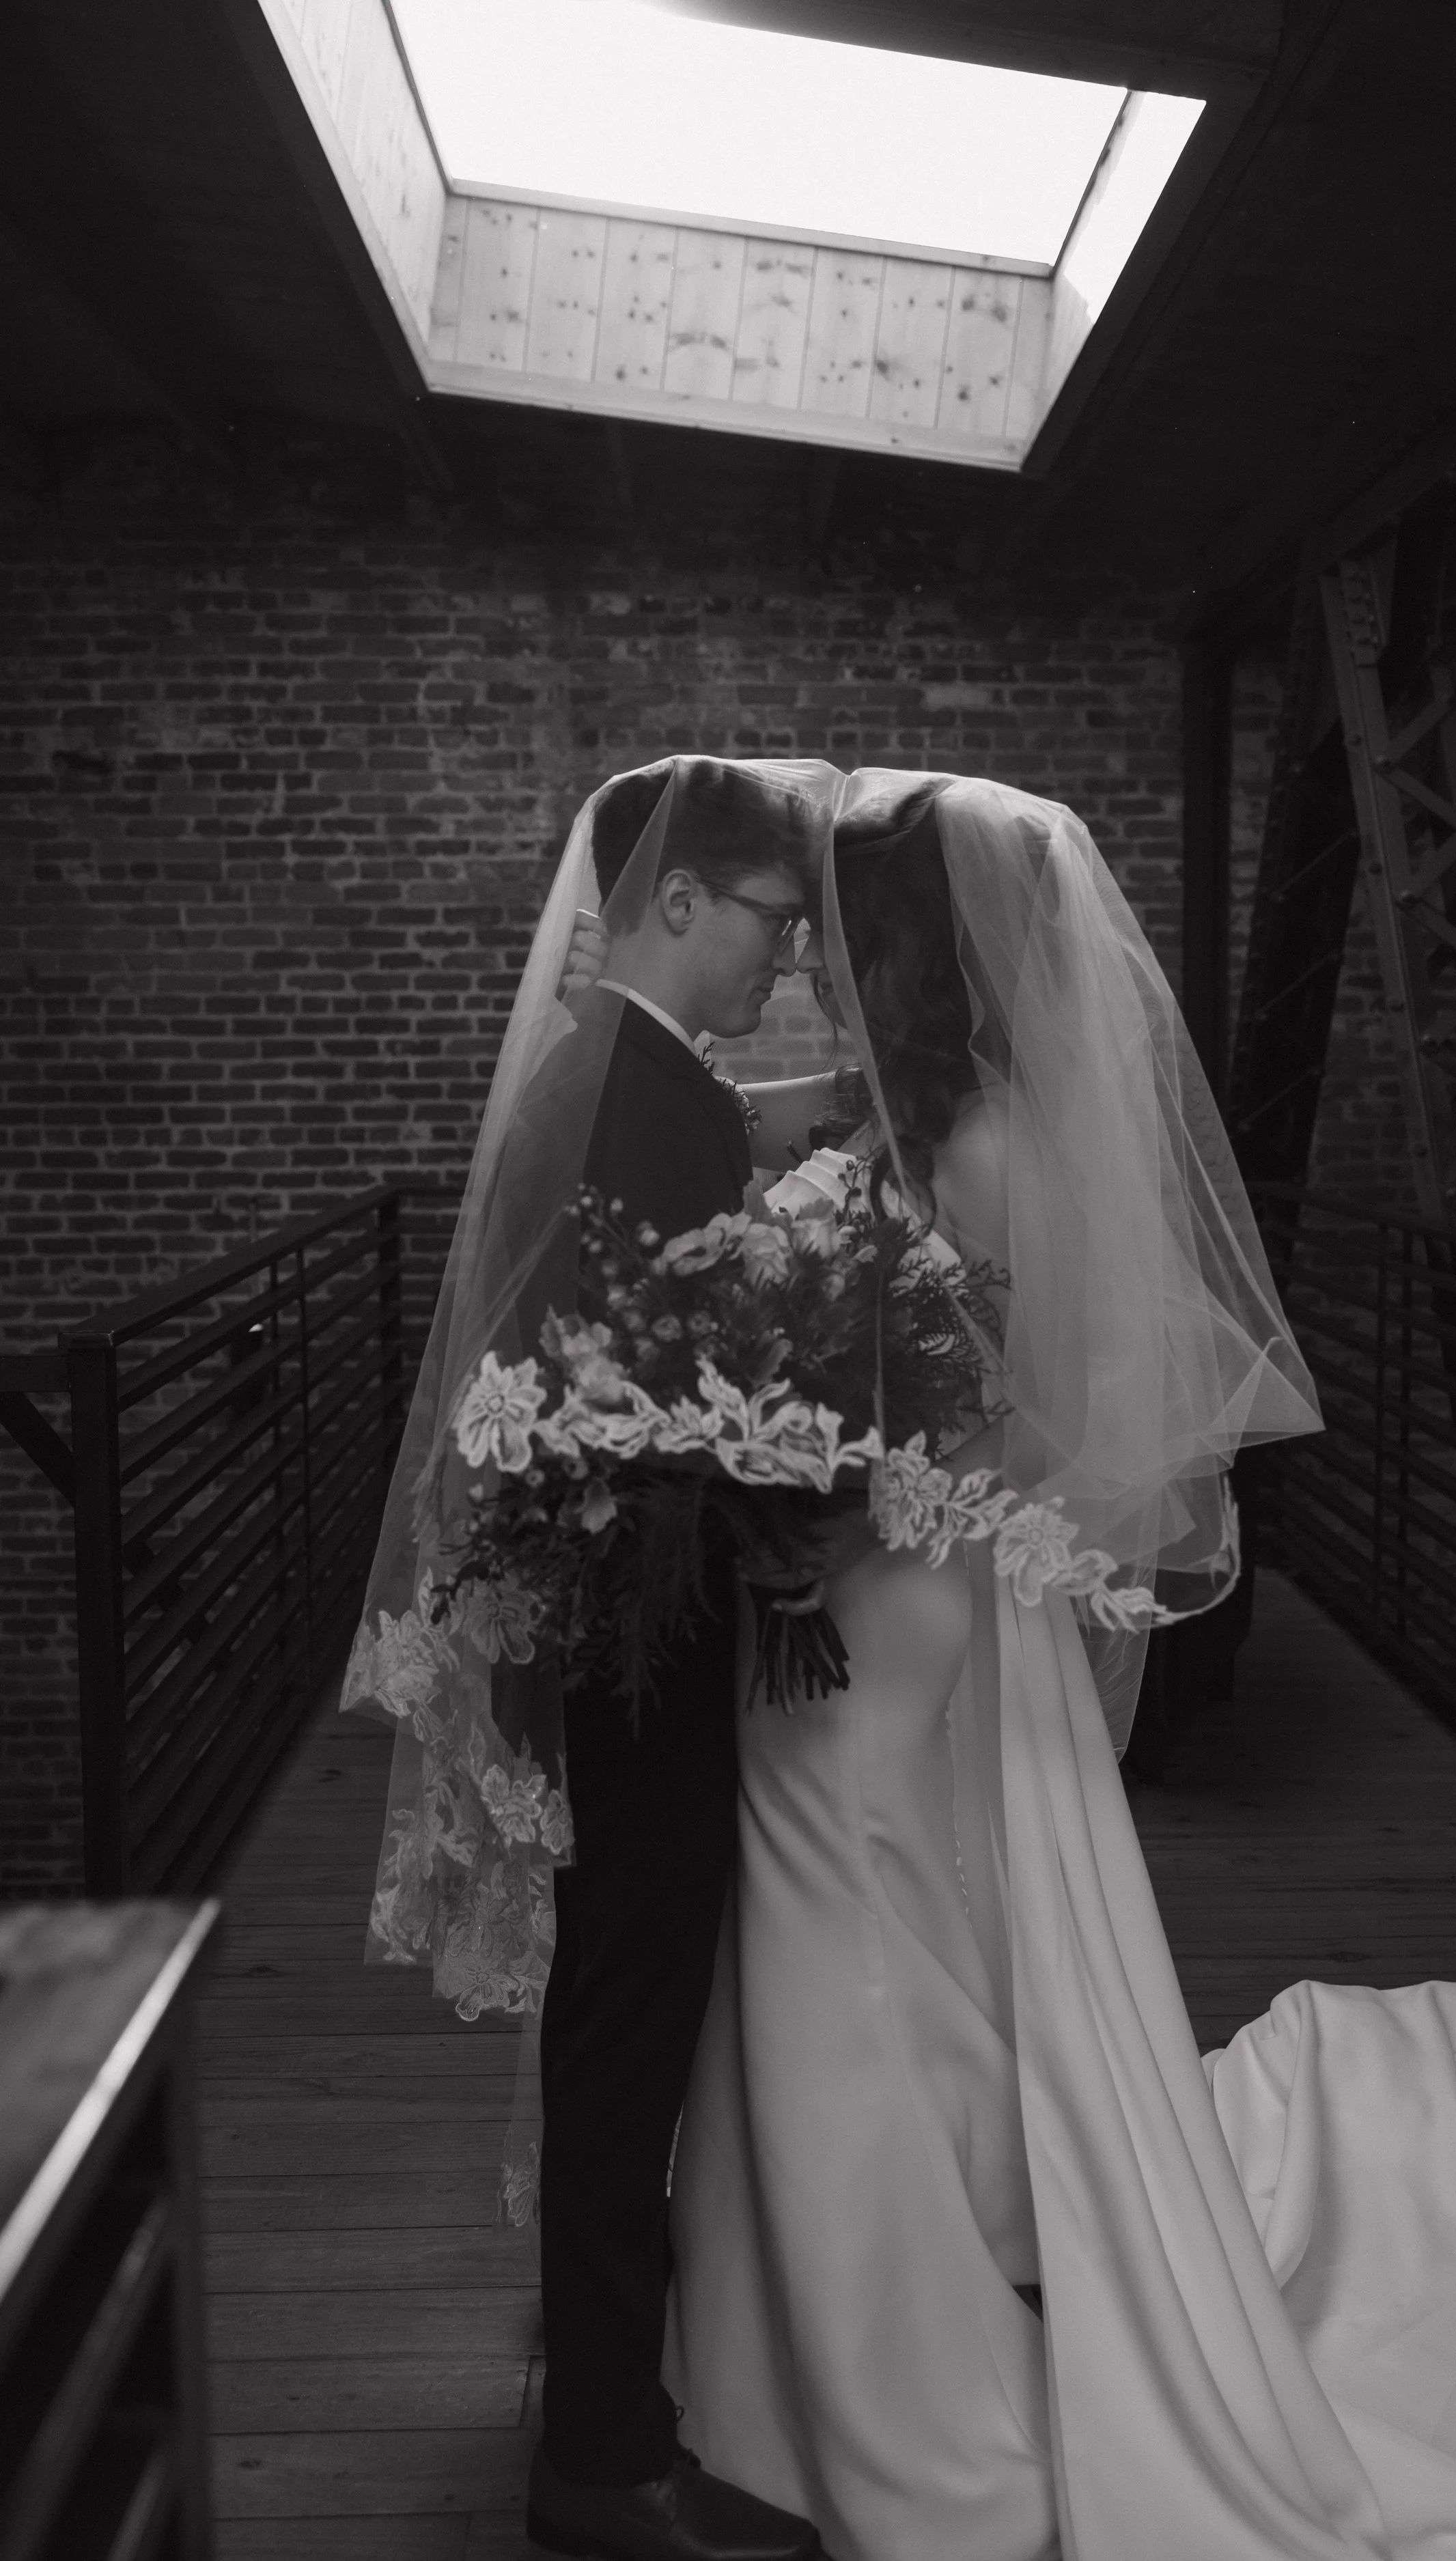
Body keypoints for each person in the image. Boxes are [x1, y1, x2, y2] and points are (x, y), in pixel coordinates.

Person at [660, 774, 1456, 2561]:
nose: (816, 964)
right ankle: (867, 2290)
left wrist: (775, 1423)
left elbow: (974, 1389)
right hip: (902, 1580)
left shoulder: (956, 1146)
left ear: (894, 949)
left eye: (835, 933)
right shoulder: (943, 1119)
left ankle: (879, 2376)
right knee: (886, 1926)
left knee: (832, 1920)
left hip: (877, 1579)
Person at [341, 756, 838, 2561]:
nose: (779, 971)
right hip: (638, 1618)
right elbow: (650, 1389)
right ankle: (608, 2458)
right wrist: (807, 1467)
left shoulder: (609, 1061)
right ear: (678, 901)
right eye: (768, 928)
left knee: (619, 2004)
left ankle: (610, 2378)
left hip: (588, 1597)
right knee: (632, 2013)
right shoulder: (651, 1088)